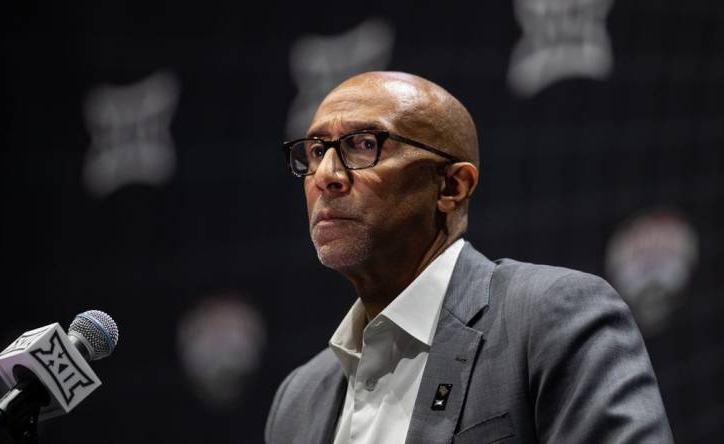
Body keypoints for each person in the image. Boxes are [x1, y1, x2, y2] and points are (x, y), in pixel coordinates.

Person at [265, 71, 673, 444]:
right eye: (317, 151)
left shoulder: (552, 319)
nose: (326, 175)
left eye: (364, 145)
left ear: (452, 186)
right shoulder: (299, 400)